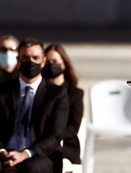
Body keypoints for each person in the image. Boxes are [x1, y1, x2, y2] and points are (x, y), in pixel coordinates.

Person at [0, 37, 69, 173]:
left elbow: (55, 135)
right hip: (5, 152)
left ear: (43, 62)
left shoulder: (57, 94)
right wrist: (2, 152)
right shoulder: (2, 92)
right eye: (25, 58)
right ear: (18, 61)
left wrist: (25, 154)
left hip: (39, 155)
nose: (31, 62)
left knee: (30, 168)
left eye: (35, 57)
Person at [42, 43, 84, 172]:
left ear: (64, 64)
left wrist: (53, 137)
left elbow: (73, 127)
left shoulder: (75, 94)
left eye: (55, 61)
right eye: (48, 61)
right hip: (41, 143)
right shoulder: (41, 91)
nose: (51, 64)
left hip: (65, 146)